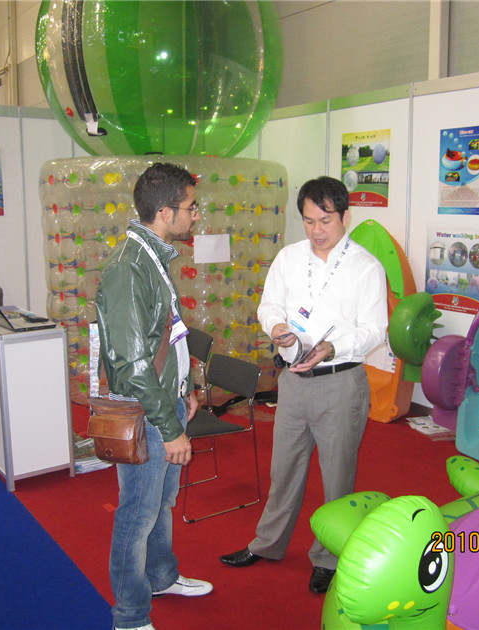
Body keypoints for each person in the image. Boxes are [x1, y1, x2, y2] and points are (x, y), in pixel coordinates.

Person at [219, 176, 388, 594]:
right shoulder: (289, 257)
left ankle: (329, 557)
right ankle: (268, 544)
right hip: (293, 381)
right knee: (284, 470)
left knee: (338, 478)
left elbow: (374, 330)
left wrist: (332, 347)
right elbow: (269, 305)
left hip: (339, 382)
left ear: (345, 217)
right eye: (309, 221)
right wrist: (276, 327)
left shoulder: (366, 267)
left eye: (325, 220)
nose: (316, 230)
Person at [95, 162, 212, 630]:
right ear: (165, 212)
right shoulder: (129, 267)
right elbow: (132, 363)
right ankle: (129, 615)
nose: (195, 215)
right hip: (147, 414)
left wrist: (186, 389)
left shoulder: (152, 258)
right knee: (137, 514)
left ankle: (161, 576)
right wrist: (169, 427)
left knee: (161, 502)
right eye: (190, 207)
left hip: (166, 404)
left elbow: (164, 336)